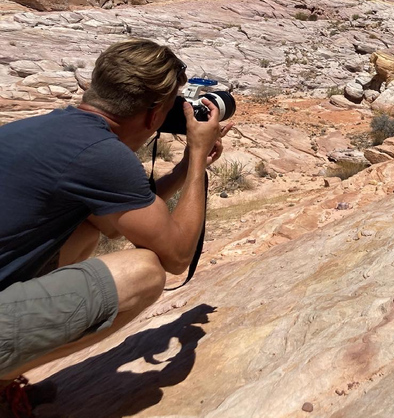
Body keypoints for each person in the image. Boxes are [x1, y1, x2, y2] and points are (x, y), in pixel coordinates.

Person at [0, 39, 230, 415]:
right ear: (155, 113)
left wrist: (184, 169)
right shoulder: (101, 153)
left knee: (88, 222)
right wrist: (200, 154)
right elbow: (177, 256)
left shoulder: (48, 127)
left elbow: (121, 217)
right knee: (143, 273)